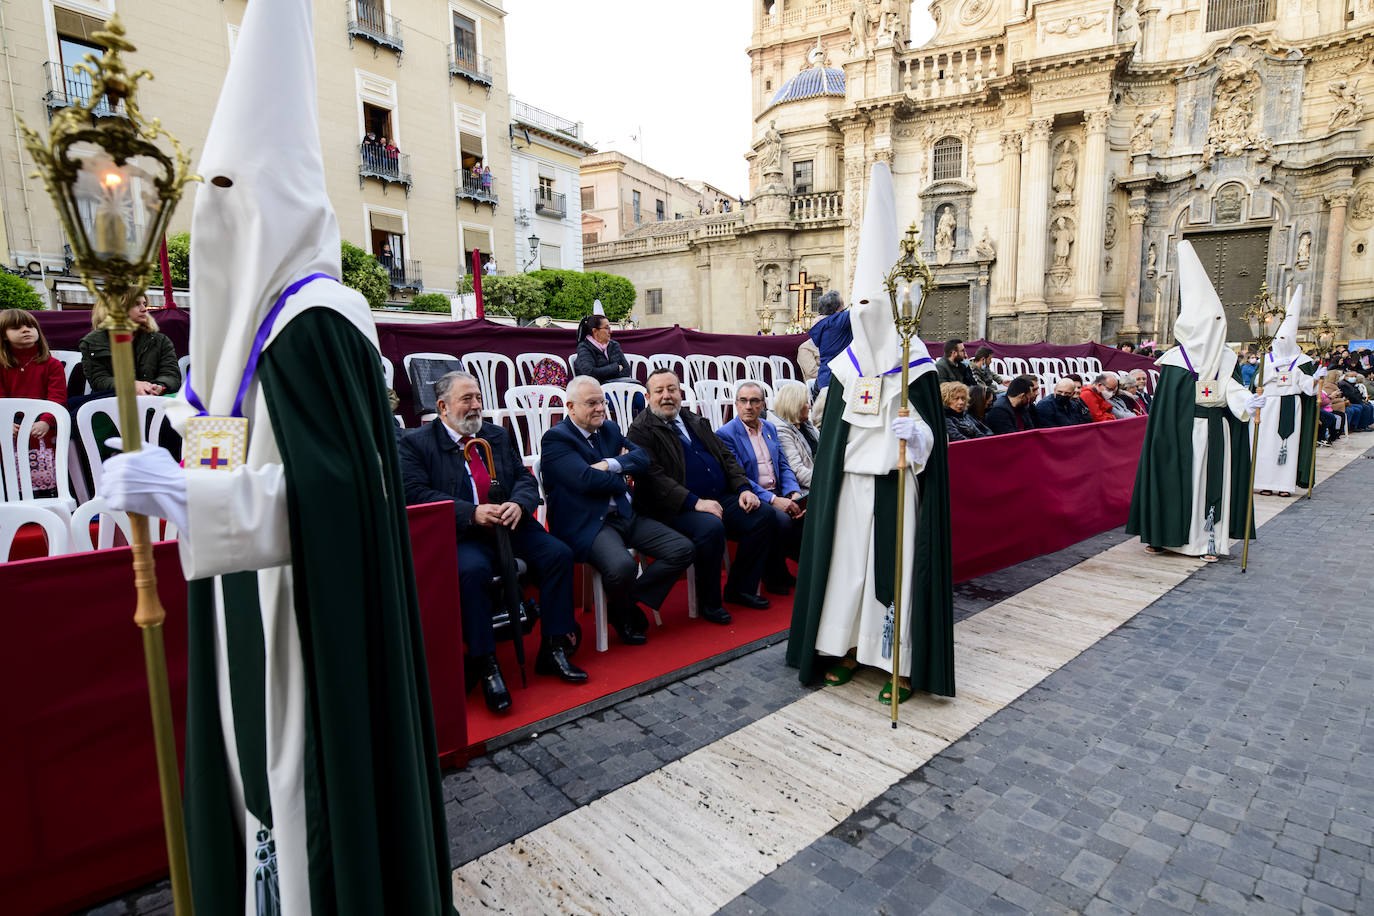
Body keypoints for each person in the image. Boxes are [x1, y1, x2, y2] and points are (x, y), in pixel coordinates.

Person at [100, 1, 455, 910]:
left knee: (304, 809)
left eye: (230, 191)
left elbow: (341, 498)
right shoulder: (237, 333)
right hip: (239, 608)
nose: (213, 217)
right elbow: (229, 445)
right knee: (249, 783)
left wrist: (192, 503)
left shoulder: (321, 323)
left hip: (308, 623)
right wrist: (179, 457)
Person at [786, 161, 954, 705]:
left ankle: (897, 662)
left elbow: (935, 448)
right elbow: (830, 438)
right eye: (858, 308)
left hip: (898, 485)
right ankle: (845, 649)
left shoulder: (920, 367)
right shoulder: (842, 370)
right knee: (847, 571)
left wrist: (919, 435)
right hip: (850, 488)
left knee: (895, 572)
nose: (864, 317)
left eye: (871, 307)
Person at [400, 371, 583, 708]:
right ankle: (487, 664)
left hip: (510, 523)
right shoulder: (416, 443)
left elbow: (524, 479)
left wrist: (519, 504)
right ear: (443, 406)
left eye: (479, 398)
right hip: (463, 531)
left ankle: (554, 648)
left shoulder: (496, 435)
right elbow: (415, 493)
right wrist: (470, 513)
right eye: (467, 399)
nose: (476, 406)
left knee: (558, 554)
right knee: (472, 573)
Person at [1127, 240, 1263, 562]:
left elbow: (1230, 388)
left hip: (1217, 433)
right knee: (1180, 484)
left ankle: (1207, 541)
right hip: (1182, 436)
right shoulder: (1175, 361)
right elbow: (1166, 413)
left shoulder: (1226, 357)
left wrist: (1247, 400)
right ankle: (1166, 536)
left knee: (1208, 487)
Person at [540, 375, 693, 645]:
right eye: (592, 403)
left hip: (623, 513)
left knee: (682, 548)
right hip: (587, 522)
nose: (600, 408)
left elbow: (643, 458)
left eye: (602, 401)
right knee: (622, 566)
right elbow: (584, 480)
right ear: (571, 407)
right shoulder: (556, 439)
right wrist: (622, 474)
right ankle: (624, 617)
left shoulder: (608, 429)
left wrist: (611, 464)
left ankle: (623, 604)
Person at [626, 369, 778, 619]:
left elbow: (726, 457)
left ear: (680, 393)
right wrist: (695, 503)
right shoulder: (641, 431)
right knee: (711, 527)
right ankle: (710, 602)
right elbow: (653, 478)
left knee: (763, 515)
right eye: (659, 391)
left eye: (672, 389)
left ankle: (740, 588)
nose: (667, 396)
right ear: (647, 396)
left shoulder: (693, 419)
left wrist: (743, 488)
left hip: (718, 496)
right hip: (673, 506)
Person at [716, 381, 804, 594]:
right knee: (781, 519)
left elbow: (783, 465)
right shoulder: (726, 434)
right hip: (752, 495)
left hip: (779, 491)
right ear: (736, 405)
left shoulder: (770, 428)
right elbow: (740, 478)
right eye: (743, 401)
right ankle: (773, 575)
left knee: (807, 514)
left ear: (763, 405)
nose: (748, 406)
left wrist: (794, 492)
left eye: (754, 401)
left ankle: (795, 571)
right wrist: (774, 500)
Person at [1251, 286, 1319, 497]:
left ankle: (1284, 485)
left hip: (1290, 405)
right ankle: (1264, 482)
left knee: (1287, 444)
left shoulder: (1301, 361)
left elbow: (1308, 388)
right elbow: (1256, 382)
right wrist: (1271, 373)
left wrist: (1317, 378)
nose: (1281, 343)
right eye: (1278, 339)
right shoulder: (1267, 359)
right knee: (1266, 444)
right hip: (1269, 406)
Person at [1, 309, 67, 491]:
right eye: (16, 327)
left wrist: (46, 421)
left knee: (41, 438)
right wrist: (5, 422)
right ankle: (9, 491)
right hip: (10, 422)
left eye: (30, 326)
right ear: (4, 336)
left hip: (42, 422)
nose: (25, 330)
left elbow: (58, 398)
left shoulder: (52, 364)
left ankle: (46, 491)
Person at [78, 295, 180, 397]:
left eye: (144, 304)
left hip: (155, 399)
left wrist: (159, 387)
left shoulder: (160, 340)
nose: (144, 309)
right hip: (112, 402)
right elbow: (99, 380)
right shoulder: (92, 342)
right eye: (136, 304)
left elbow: (171, 375)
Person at [771, 381, 820, 493]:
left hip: (818, 478)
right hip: (806, 488)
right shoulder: (781, 433)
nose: (810, 406)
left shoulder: (806, 425)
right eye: (806, 402)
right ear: (795, 405)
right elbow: (797, 472)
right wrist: (826, 480)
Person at [807, 289, 851, 394]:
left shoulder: (824, 323)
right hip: (836, 379)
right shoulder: (836, 321)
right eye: (843, 306)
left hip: (825, 377)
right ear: (837, 309)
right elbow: (861, 310)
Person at [573, 313, 634, 383]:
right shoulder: (584, 347)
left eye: (609, 328)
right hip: (595, 390)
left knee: (639, 392)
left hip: (618, 387)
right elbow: (590, 374)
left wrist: (602, 373)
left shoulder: (614, 345)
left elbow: (627, 370)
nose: (611, 331)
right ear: (595, 331)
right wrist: (615, 368)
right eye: (606, 328)